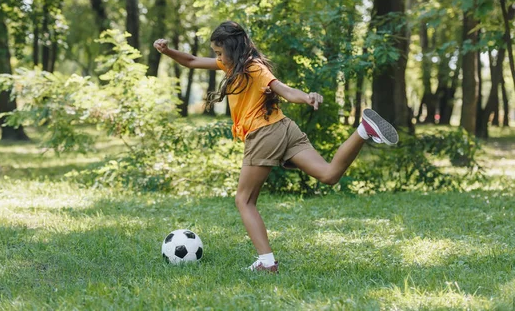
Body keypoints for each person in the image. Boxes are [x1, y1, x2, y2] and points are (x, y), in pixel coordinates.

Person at [153, 21, 398, 273]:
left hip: (264, 133)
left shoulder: (253, 68)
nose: (217, 58)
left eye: (218, 53)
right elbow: (192, 61)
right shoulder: (232, 65)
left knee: (244, 200)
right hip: (283, 128)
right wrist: (168, 51)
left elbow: (283, 90)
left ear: (232, 49)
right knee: (329, 175)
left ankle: (267, 262)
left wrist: (306, 96)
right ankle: (363, 130)